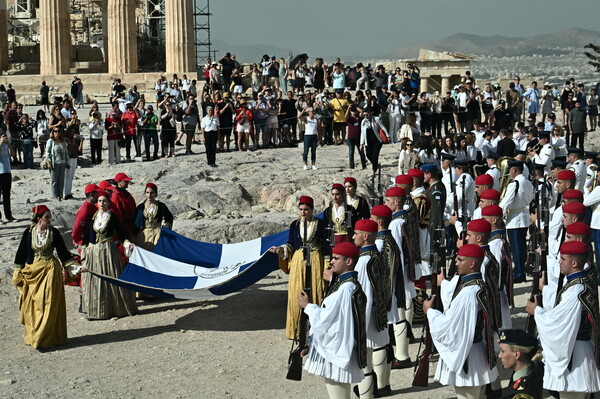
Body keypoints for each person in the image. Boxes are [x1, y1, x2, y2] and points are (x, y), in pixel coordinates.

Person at [423, 244, 499, 398]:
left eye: (460, 259)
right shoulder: (476, 286)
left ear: (472, 264)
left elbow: (450, 326)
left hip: (467, 355)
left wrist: (430, 312)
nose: (456, 263)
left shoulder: (469, 293)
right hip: (476, 352)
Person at [526, 240, 600, 397]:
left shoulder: (575, 291)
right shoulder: (579, 284)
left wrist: (537, 312)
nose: (559, 262)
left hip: (575, 358)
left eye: (563, 258)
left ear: (574, 263)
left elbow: (558, 324)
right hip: (578, 351)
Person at [299, 242, 367, 399]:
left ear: (348, 262)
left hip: (338, 351)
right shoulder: (348, 285)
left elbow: (326, 319)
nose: (331, 262)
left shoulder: (345, 289)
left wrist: (308, 306)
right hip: (342, 347)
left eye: (336, 258)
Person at [13, 205, 79, 349]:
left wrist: (75, 267)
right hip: (33, 272)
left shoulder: (53, 232)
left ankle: (43, 338)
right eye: (46, 217)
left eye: (50, 217)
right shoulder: (29, 232)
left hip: (50, 270)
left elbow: (63, 253)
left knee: (49, 304)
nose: (50, 219)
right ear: (39, 218)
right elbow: (21, 253)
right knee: (34, 306)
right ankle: (35, 334)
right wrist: (18, 270)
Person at [269, 196, 328, 340]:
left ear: (312, 210)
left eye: (306, 210)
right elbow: (290, 243)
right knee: (297, 290)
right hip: (298, 260)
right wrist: (280, 250)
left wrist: (326, 264)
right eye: (301, 209)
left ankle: (317, 329)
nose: (303, 212)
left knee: (316, 291)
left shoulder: (320, 224)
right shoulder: (295, 225)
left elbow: (325, 245)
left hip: (315, 259)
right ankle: (295, 331)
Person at [81, 191, 137, 320]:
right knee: (96, 281)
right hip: (95, 252)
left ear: (108, 202)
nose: (102, 203)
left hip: (109, 251)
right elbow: (88, 235)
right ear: (97, 203)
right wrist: (85, 249)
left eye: (104, 201)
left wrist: (128, 244)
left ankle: (117, 308)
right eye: (100, 201)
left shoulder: (113, 217)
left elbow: (122, 234)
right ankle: (96, 311)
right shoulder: (93, 217)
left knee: (111, 278)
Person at [352, 219, 390, 398]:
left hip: (369, 319)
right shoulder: (377, 256)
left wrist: (359, 327)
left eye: (356, 233)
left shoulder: (364, 261)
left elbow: (363, 296)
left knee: (365, 366)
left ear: (365, 236)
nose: (353, 237)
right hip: (380, 315)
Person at [499, 160, 534, 284]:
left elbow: (506, 201)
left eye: (510, 170)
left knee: (516, 248)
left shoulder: (514, 183)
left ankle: (520, 273)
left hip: (514, 218)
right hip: (524, 215)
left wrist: (498, 213)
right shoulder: (528, 182)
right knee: (521, 246)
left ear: (514, 170)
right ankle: (520, 269)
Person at [497, 329, 544, 399]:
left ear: (516, 354)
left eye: (502, 351)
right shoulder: (533, 369)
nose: (499, 356)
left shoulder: (523, 393)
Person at [133, 183, 174, 251]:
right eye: (147, 193)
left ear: (155, 194)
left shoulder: (161, 206)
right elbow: (136, 223)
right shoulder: (140, 207)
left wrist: (165, 227)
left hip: (157, 234)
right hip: (143, 235)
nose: (149, 195)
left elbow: (169, 217)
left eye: (152, 193)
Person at [43, 126, 69, 201]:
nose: (57, 133)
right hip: (54, 163)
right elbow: (47, 152)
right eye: (55, 131)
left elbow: (66, 152)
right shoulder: (50, 141)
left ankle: (60, 195)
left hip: (62, 162)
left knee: (61, 180)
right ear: (52, 132)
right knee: (54, 180)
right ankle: (54, 195)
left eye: (59, 131)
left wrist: (67, 161)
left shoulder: (63, 141)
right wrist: (49, 162)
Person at [361, 108, 389, 177]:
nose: (365, 117)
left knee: (375, 156)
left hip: (377, 141)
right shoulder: (363, 121)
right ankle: (376, 164)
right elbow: (362, 133)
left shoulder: (376, 119)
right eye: (363, 115)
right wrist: (361, 143)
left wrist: (388, 136)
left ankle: (374, 170)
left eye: (366, 115)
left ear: (370, 113)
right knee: (368, 155)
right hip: (368, 142)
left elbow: (383, 127)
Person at [0, 132, 14, 222]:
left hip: (7, 171)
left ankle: (8, 215)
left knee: (6, 195)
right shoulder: (1, 142)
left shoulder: (5, 143)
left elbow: (12, 154)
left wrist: (9, 145)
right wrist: (0, 143)